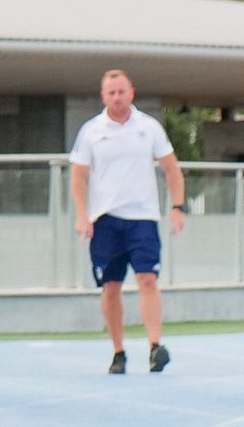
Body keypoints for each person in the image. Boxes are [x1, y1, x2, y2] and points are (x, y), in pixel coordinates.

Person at [69, 69, 186, 375]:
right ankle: (118, 351)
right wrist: (82, 215)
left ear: (132, 92)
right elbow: (79, 177)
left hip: (143, 219)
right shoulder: (91, 131)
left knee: (148, 279)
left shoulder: (149, 128)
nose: (117, 97)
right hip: (105, 220)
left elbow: (172, 169)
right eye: (111, 93)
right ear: (103, 96)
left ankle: (154, 346)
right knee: (110, 286)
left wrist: (177, 207)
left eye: (122, 91)